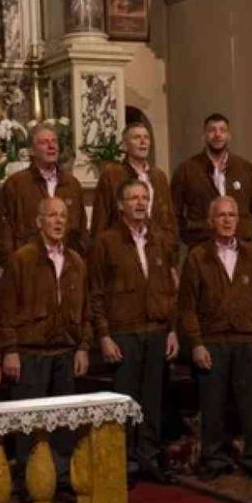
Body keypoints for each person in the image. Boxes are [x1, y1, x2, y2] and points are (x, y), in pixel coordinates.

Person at [87, 179, 177, 484]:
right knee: (125, 399)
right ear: (120, 205)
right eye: (133, 198)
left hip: (156, 329)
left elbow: (168, 286)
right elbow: (96, 292)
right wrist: (104, 335)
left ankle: (148, 457)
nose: (140, 203)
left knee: (152, 399)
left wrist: (172, 329)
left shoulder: (160, 239)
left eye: (144, 198)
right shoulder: (106, 242)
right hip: (123, 332)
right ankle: (124, 461)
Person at [179, 196, 252, 481]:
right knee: (213, 404)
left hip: (247, 339)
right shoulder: (197, 257)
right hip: (212, 341)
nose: (228, 220)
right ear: (211, 221)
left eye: (233, 214)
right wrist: (196, 344)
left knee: (251, 405)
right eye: (221, 215)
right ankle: (213, 458)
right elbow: (187, 306)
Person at [0, 197, 89, 485]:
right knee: (30, 420)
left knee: (62, 421)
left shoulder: (76, 261)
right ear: (39, 222)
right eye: (52, 215)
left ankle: (60, 474)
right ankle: (30, 478)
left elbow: (84, 309)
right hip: (30, 350)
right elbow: (7, 308)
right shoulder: (22, 259)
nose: (59, 221)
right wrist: (10, 350)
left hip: (64, 348)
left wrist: (83, 347)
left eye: (63, 215)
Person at [0, 123, 87, 262]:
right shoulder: (16, 184)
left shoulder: (72, 185)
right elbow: (5, 233)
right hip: (30, 265)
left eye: (54, 141)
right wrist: (12, 266)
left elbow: (81, 230)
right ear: (31, 150)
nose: (51, 146)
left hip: (66, 265)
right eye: (44, 142)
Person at [172, 114, 252, 248]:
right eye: (212, 130)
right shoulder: (187, 169)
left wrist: (243, 229)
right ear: (204, 135)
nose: (217, 134)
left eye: (222, 130)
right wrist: (190, 234)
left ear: (229, 135)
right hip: (201, 248)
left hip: (240, 248)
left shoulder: (245, 168)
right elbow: (174, 211)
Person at [89, 122, 177, 248]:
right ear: (125, 145)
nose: (143, 142)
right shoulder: (112, 174)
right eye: (137, 138)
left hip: (156, 248)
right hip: (122, 246)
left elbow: (169, 219)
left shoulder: (159, 177)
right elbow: (101, 218)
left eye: (146, 138)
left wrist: (170, 247)